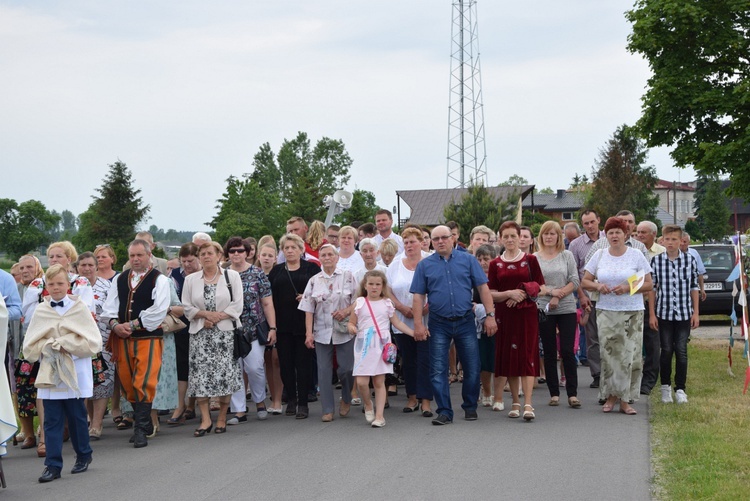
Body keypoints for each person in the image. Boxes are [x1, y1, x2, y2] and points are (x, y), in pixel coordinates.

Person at [410, 225, 497, 425]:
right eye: (436, 239)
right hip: (438, 322)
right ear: (431, 242)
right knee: (438, 369)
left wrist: (490, 315)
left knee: (472, 367)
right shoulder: (425, 265)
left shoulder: (468, 260)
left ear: (452, 239)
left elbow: (483, 288)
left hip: (465, 319)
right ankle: (444, 412)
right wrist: (418, 325)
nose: (440, 241)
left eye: (444, 237)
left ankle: (469, 406)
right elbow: (418, 296)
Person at [23, 264, 101, 483]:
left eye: (60, 283)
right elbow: (29, 345)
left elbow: (93, 341)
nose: (56, 288)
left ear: (69, 285)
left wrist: (68, 343)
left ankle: (83, 455)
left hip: (75, 369)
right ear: (45, 287)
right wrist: (49, 345)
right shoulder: (41, 310)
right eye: (51, 284)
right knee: (51, 419)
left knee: (76, 416)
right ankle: (53, 464)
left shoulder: (79, 308)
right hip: (50, 371)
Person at [101, 239, 170, 447]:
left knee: (144, 380)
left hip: (147, 338)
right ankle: (146, 422)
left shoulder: (159, 280)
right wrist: (114, 325)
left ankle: (140, 429)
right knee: (127, 383)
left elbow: (159, 310)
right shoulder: (120, 279)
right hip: (123, 338)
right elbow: (109, 307)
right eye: (132, 256)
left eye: (140, 255)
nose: (136, 259)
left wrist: (132, 324)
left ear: (149, 256)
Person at [582, 217, 653, 415]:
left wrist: (627, 287)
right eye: (611, 232)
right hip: (606, 311)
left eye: (618, 232)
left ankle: (625, 399)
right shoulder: (600, 254)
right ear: (606, 235)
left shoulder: (636, 254)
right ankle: (610, 396)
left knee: (630, 356)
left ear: (626, 234)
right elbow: (585, 281)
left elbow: (649, 284)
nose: (614, 236)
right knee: (610, 356)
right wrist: (598, 286)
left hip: (632, 311)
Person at [180, 242, 243, 436]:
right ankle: (206, 419)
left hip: (224, 335)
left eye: (210, 253)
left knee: (225, 376)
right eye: (203, 254)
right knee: (200, 378)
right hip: (200, 335)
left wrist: (216, 318)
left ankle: (222, 417)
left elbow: (237, 305)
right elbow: (187, 307)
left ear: (219, 256)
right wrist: (205, 315)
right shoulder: (191, 280)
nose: (206, 257)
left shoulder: (232, 276)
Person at [488, 221, 544, 421]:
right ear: (500, 238)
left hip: (526, 314)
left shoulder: (530, 260)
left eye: (514, 236)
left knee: (527, 355)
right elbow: (490, 293)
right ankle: (514, 402)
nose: (510, 240)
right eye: (506, 236)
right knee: (510, 357)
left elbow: (541, 286)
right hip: (505, 315)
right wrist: (509, 294)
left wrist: (523, 292)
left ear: (520, 237)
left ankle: (528, 403)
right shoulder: (495, 264)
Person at [298, 244, 358, 422]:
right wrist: (308, 333)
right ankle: (327, 408)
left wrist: (346, 311)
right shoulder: (314, 280)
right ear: (320, 258)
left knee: (346, 368)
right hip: (322, 331)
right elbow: (308, 308)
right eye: (323, 255)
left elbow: (357, 301)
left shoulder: (348, 277)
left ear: (337, 257)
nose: (327, 257)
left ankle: (346, 397)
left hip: (344, 329)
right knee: (323, 370)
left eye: (330, 254)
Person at [348, 270, 414, 427]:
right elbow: (351, 322)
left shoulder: (387, 303)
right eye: (371, 284)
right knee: (362, 382)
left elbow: (397, 323)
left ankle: (380, 416)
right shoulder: (360, 303)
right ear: (365, 285)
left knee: (379, 381)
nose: (374, 287)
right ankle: (368, 404)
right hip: (363, 345)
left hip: (381, 345)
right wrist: (351, 327)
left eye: (378, 284)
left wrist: (413, 333)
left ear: (383, 286)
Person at [223, 237, 277, 424]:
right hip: (229, 328)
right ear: (227, 254)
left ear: (247, 252)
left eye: (240, 250)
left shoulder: (258, 273)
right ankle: (239, 410)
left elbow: (267, 302)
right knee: (235, 369)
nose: (236, 254)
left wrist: (272, 328)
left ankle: (260, 401)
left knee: (255, 367)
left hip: (254, 328)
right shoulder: (222, 275)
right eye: (232, 251)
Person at [268, 234, 321, 419]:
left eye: (293, 247)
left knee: (304, 364)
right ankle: (290, 398)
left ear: (301, 249)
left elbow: (320, 292)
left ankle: (303, 403)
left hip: (303, 324)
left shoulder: (311, 269)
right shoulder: (276, 271)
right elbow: (269, 300)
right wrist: (272, 326)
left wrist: (307, 297)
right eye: (286, 248)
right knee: (285, 365)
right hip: (282, 324)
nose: (290, 251)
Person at [648, 225, 700, 404]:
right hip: (664, 313)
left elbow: (694, 287)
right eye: (667, 239)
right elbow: (652, 290)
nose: (670, 243)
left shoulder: (689, 260)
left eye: (674, 240)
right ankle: (665, 387)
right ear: (662, 240)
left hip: (684, 313)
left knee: (681, 350)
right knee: (667, 350)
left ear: (681, 241)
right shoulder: (656, 261)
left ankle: (680, 388)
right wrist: (652, 314)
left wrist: (696, 312)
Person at [534, 221, 581, 408]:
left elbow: (574, 280)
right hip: (544, 307)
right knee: (549, 350)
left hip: (567, 307)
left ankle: (572, 393)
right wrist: (551, 294)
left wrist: (559, 295)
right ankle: (554, 393)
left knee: (568, 351)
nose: (549, 237)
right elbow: (535, 285)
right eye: (546, 233)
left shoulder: (566, 255)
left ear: (558, 236)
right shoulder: (535, 258)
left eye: (552, 233)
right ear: (541, 236)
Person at [387, 228, 432, 416]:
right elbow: (388, 289)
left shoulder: (430, 261)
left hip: (427, 318)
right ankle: (412, 397)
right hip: (403, 320)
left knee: (425, 359)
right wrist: (400, 306)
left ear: (421, 242)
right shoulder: (395, 264)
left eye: (412, 242)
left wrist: (426, 307)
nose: (409, 246)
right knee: (409, 360)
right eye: (405, 242)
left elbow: (438, 286)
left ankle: (426, 400)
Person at [75, 252, 116, 441]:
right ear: (77, 268)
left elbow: (112, 312)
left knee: (102, 382)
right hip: (79, 341)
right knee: (85, 382)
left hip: (103, 340)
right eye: (83, 265)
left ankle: (97, 424)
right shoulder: (73, 286)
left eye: (90, 265)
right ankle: (90, 419)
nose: (87, 268)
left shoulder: (107, 286)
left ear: (96, 266)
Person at [569, 209, 605, 389]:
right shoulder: (576, 245)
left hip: (611, 295)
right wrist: (581, 296)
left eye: (592, 222)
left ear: (599, 220)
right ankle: (597, 373)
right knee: (592, 337)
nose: (590, 226)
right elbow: (573, 273)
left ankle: (611, 372)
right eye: (586, 223)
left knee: (611, 335)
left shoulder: (610, 238)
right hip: (589, 295)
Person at [166, 243, 201, 425]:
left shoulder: (205, 274)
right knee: (182, 364)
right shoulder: (175, 276)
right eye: (184, 261)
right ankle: (180, 405)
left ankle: (193, 404)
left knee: (198, 365)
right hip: (181, 325)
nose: (187, 265)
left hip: (202, 323)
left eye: (191, 260)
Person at [12, 255, 42, 450]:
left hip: (43, 348)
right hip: (20, 348)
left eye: (29, 267)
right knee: (23, 392)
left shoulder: (44, 287)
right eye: (21, 268)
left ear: (37, 268)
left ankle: (51, 432)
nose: (25, 271)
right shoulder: (16, 290)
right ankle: (29, 433)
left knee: (47, 391)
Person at [636, 221, 667, 396]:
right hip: (633, 302)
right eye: (638, 232)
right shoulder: (632, 251)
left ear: (654, 234)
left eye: (644, 232)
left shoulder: (661, 253)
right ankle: (633, 379)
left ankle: (648, 381)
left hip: (652, 304)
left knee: (653, 344)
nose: (640, 235)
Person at [256, 240, 284, 414]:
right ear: (258, 257)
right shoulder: (254, 274)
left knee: (276, 360)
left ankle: (278, 400)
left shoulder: (279, 274)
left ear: (275, 258)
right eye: (264, 255)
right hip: (259, 322)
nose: (266, 258)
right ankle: (270, 397)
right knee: (265, 361)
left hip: (277, 320)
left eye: (270, 256)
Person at [473, 244, 500, 409]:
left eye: (486, 259)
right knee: (484, 361)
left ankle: (498, 396)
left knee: (497, 361)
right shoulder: (473, 278)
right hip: (479, 325)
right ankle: (487, 392)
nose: (483, 262)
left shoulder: (499, 276)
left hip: (499, 321)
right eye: (480, 259)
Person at [680, 232, 707, 301]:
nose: (682, 244)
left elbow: (700, 272)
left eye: (685, 242)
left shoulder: (694, 253)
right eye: (680, 241)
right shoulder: (671, 254)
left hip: (691, 288)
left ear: (689, 243)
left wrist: (702, 289)